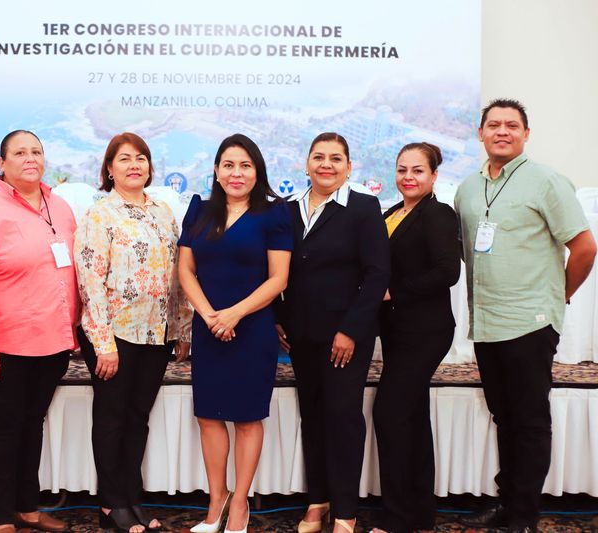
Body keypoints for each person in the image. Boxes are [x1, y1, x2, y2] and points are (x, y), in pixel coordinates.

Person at [456, 99, 596, 533]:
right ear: (480, 133)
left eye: (512, 125)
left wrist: (562, 295)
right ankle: (507, 502)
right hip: (488, 322)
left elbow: (585, 247)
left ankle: (524, 516)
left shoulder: (547, 181)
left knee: (530, 419)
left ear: (525, 134)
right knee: (504, 415)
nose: (502, 131)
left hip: (531, 321)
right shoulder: (466, 188)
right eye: (493, 124)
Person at [0, 130, 79, 533]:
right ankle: (2, 516)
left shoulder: (59, 207)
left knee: (32, 423)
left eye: (37, 151)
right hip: (0, 344)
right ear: (2, 164)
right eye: (20, 152)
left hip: (52, 341)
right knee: (4, 427)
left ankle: (27, 507)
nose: (30, 158)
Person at [74, 132, 192, 533]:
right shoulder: (99, 214)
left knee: (137, 418)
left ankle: (130, 497)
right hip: (115, 337)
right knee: (112, 418)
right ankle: (110, 504)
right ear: (110, 168)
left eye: (141, 158)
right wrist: (103, 343)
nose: (134, 165)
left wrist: (181, 328)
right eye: (124, 159)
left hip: (156, 334)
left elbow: (178, 275)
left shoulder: (163, 212)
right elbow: (90, 283)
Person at [275, 132, 390, 533]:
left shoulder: (363, 207)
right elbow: (273, 271)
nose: (327, 164)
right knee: (314, 417)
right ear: (306, 163)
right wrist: (277, 317)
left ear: (349, 166)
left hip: (346, 337)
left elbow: (378, 274)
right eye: (319, 157)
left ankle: (345, 511)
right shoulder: (287, 210)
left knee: (343, 418)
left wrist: (351, 330)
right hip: (300, 334)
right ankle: (317, 500)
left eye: (336, 158)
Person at [178, 133, 293, 533]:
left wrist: (234, 315)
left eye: (245, 165)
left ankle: (240, 504)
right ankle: (216, 501)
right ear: (216, 170)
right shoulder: (200, 210)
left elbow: (278, 279)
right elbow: (185, 271)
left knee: (246, 418)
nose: (236, 172)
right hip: (208, 327)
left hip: (252, 328)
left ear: (257, 170)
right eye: (228, 164)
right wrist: (211, 316)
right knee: (209, 416)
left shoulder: (274, 214)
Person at [370, 143, 461, 533]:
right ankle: (421, 514)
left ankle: (397, 520)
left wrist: (394, 292)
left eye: (418, 171)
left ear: (434, 176)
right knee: (412, 418)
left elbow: (447, 272)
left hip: (425, 330)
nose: (409, 177)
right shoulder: (392, 213)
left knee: (388, 414)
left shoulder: (438, 214)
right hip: (397, 330)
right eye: (402, 169)